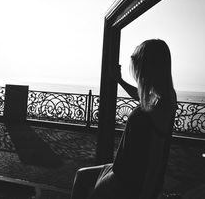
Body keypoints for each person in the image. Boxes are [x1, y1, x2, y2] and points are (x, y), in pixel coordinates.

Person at [70, 39, 177, 199]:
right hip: (120, 169)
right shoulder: (157, 97)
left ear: (148, 66)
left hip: (127, 180)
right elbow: (140, 97)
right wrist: (119, 80)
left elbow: (156, 159)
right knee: (81, 176)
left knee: (87, 186)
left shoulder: (163, 102)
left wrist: (146, 194)